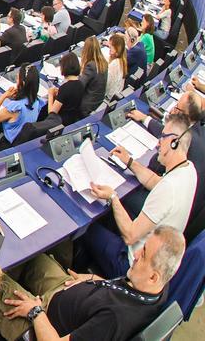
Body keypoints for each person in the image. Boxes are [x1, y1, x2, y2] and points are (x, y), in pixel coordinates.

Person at [0, 225, 184, 341]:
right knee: (31, 254)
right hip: (67, 289)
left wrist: (35, 312)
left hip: (42, 324)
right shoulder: (157, 289)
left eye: (143, 255)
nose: (136, 255)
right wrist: (93, 280)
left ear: (154, 277)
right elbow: (121, 289)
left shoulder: (115, 320)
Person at [83, 110, 198, 278]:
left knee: (88, 228)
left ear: (174, 143)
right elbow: (155, 182)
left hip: (130, 265)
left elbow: (130, 235)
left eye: (163, 137)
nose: (159, 143)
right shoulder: (188, 170)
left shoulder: (169, 189)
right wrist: (129, 162)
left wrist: (112, 197)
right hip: (152, 259)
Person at [0, 65, 43, 149]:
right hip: (23, 143)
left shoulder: (16, 107)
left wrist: (3, 96)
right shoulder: (37, 101)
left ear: (22, 83)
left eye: (17, 78)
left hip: (8, 146)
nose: (16, 81)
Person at [48, 53, 85, 126]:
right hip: (72, 120)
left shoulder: (65, 88)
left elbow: (51, 114)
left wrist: (50, 95)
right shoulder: (80, 84)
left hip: (60, 122)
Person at [79, 35, 109, 115]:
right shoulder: (104, 62)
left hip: (87, 106)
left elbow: (79, 85)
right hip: (98, 102)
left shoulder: (91, 65)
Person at [106, 32, 128, 100]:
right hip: (115, 94)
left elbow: (105, 84)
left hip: (108, 97)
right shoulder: (122, 61)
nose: (109, 47)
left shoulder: (115, 64)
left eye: (111, 46)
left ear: (117, 48)